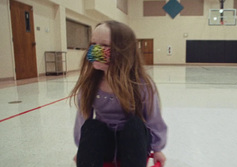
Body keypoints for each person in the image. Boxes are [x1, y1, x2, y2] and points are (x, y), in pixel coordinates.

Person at [70, 20, 167, 167]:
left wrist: (157, 149)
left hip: (132, 145)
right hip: (105, 144)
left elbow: (154, 119)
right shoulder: (90, 84)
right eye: (93, 44)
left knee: (135, 125)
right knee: (92, 127)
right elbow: (82, 119)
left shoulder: (141, 84)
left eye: (104, 45)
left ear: (123, 50)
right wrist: (82, 149)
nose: (96, 50)